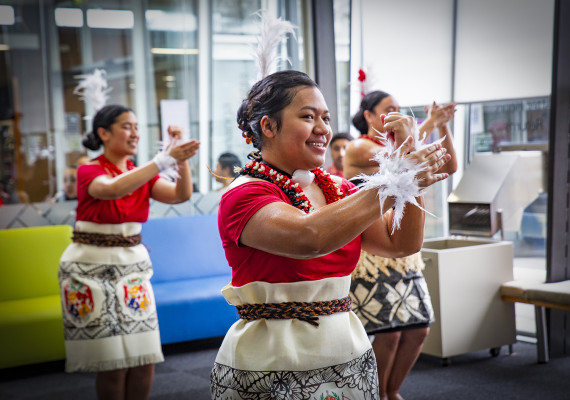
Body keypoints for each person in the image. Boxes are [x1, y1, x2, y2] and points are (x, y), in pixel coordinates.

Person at [209, 70, 451, 399]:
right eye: (308, 117)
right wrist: (394, 179)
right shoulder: (243, 194)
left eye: (326, 117)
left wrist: (406, 168)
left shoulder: (340, 189)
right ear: (268, 125)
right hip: (274, 355)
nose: (324, 129)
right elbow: (310, 237)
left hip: (345, 346)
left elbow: (401, 244)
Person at [58, 104, 200, 400]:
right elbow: (111, 189)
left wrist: (179, 159)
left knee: (144, 360)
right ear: (103, 133)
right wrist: (162, 161)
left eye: (137, 127)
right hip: (89, 270)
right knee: (112, 366)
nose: (135, 133)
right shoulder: (89, 170)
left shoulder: (141, 174)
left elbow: (180, 195)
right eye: (127, 127)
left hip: (132, 271)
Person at [345, 90, 457, 400]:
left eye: (398, 108)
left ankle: (393, 392)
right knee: (389, 333)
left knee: (418, 328)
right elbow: (400, 158)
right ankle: (377, 394)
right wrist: (428, 124)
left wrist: (442, 126)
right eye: (388, 109)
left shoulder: (402, 144)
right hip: (374, 249)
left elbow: (447, 166)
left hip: (403, 247)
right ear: (369, 116)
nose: (396, 113)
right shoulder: (358, 147)